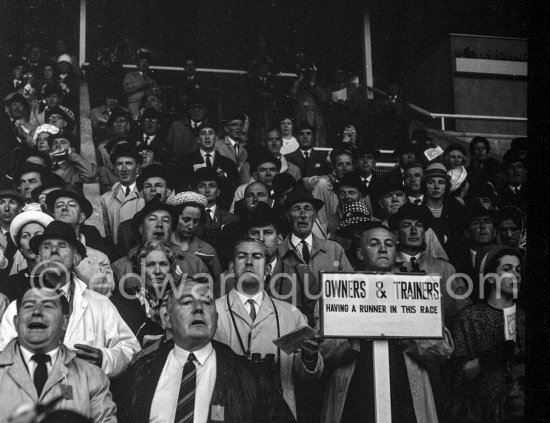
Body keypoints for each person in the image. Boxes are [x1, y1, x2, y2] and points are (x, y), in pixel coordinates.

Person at [114, 277, 296, 423]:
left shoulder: (250, 375)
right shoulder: (141, 371)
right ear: (167, 319)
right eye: (187, 302)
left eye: (207, 303)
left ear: (216, 319)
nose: (199, 308)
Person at [321, 225, 453, 423]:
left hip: (405, 390)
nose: (383, 249)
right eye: (374, 244)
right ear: (359, 252)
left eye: (389, 244)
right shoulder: (340, 289)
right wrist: (356, 329)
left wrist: (405, 329)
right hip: (355, 391)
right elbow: (324, 351)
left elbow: (443, 351)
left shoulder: (418, 289)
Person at [0, 220, 141, 377]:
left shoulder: (100, 304)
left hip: (87, 396)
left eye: (62, 246)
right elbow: (4, 355)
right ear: (40, 259)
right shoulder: (18, 308)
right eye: (46, 247)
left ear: (76, 258)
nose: (53, 251)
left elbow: (131, 348)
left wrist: (104, 358)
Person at [215, 237, 323, 418]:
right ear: (232, 268)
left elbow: (307, 378)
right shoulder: (212, 312)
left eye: (256, 256)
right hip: (228, 412)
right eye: (242, 256)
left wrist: (309, 357)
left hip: (279, 413)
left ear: (267, 270)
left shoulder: (291, 314)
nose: (249, 261)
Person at [0, 286, 117, 422]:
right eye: (28, 306)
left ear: (64, 323)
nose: (37, 312)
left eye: (48, 306)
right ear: (16, 322)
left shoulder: (91, 378)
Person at [449, 245, 525, 423]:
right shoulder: (468, 318)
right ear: (491, 278)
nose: (515, 274)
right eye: (507, 269)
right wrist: (485, 360)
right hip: (482, 412)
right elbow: (457, 376)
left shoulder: (524, 318)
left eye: (518, 270)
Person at [278, 186, 353, 325]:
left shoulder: (334, 250)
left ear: (314, 215)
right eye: (296, 209)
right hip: (288, 328)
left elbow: (351, 292)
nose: (302, 214)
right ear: (288, 216)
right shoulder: (278, 253)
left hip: (330, 328)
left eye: (307, 209)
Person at [45, 185, 114, 294]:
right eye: (59, 206)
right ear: (54, 215)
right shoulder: (43, 251)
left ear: (81, 217)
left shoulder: (100, 258)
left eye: (71, 205)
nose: (64, 208)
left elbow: (104, 292)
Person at [179, 122, 239, 209]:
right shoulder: (185, 161)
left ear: (216, 138)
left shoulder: (228, 163)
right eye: (203, 134)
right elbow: (182, 186)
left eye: (211, 133)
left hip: (221, 208)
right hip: (193, 207)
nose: (207, 137)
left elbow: (234, 187)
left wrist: (224, 177)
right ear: (198, 139)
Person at [168, 192, 222, 286]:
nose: (191, 226)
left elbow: (217, 285)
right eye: (186, 220)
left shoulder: (207, 250)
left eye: (196, 221)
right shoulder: (164, 246)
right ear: (175, 218)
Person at [100, 144, 145, 246]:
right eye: (120, 164)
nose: (124, 169)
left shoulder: (146, 195)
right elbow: (106, 233)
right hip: (118, 255)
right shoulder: (105, 199)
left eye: (129, 163)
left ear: (137, 168)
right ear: (115, 169)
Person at [193, 167, 239, 253]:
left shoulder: (232, 219)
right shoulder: (189, 219)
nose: (207, 190)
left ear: (218, 192)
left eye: (211, 186)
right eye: (202, 186)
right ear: (195, 191)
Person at [123, 50, 158, 119]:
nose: (144, 64)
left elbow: (156, 91)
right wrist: (142, 86)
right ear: (137, 63)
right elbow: (127, 90)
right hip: (134, 104)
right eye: (142, 61)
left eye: (146, 62)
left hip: (148, 106)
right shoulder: (129, 76)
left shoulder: (150, 78)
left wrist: (155, 91)